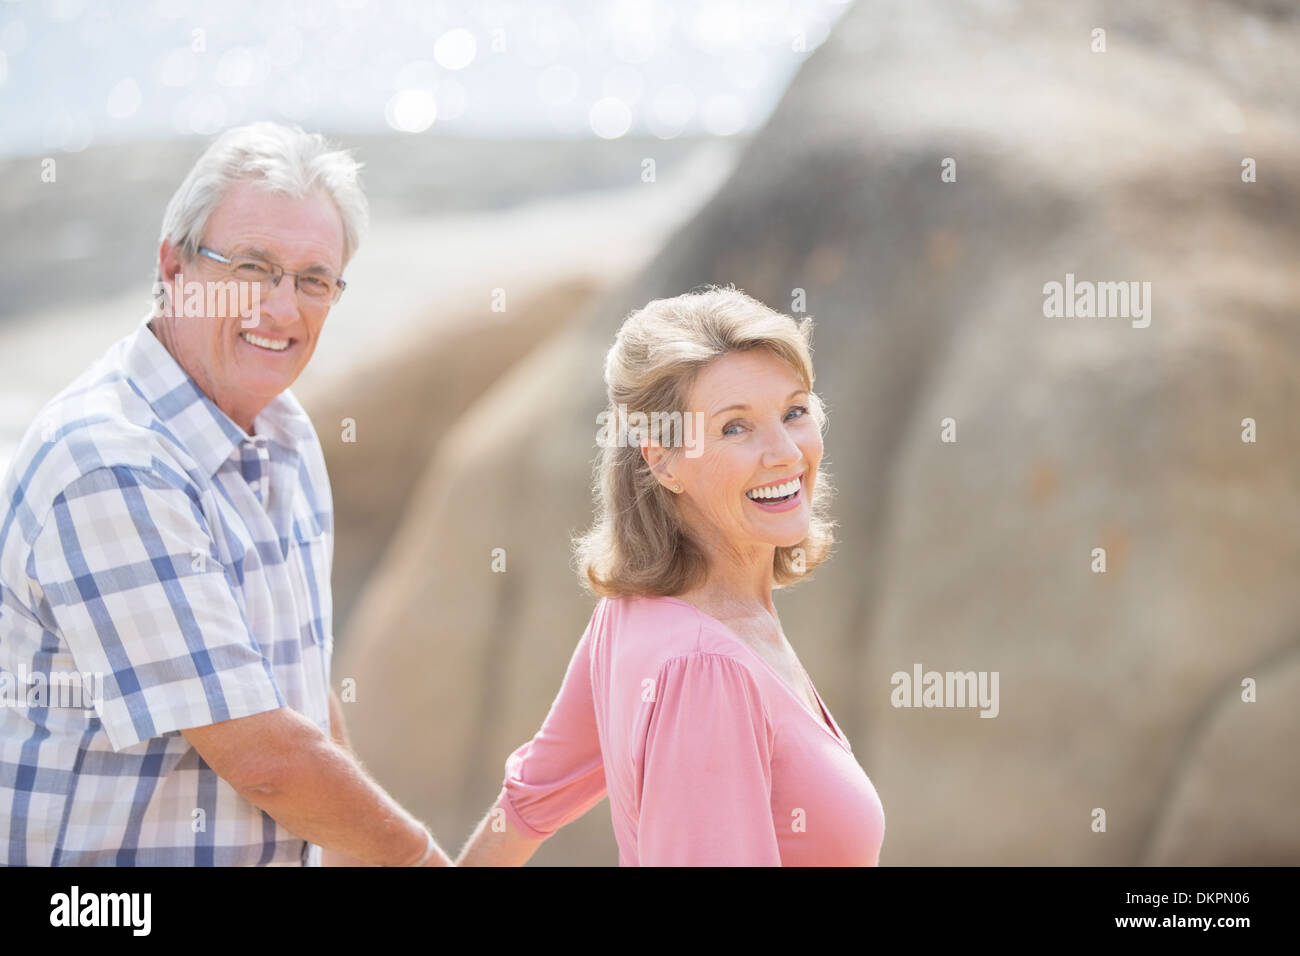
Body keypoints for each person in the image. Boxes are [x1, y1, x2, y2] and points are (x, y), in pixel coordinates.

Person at [0, 122, 448, 866]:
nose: (281, 309)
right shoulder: (110, 463)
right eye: (251, 267)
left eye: (313, 280)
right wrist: (420, 861)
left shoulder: (284, 432)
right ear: (172, 266)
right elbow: (265, 759)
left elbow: (294, 693)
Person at [456, 287, 885, 865]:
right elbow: (529, 806)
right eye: (735, 428)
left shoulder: (632, 614)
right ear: (662, 460)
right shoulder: (705, 670)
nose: (785, 452)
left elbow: (525, 807)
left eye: (794, 412)